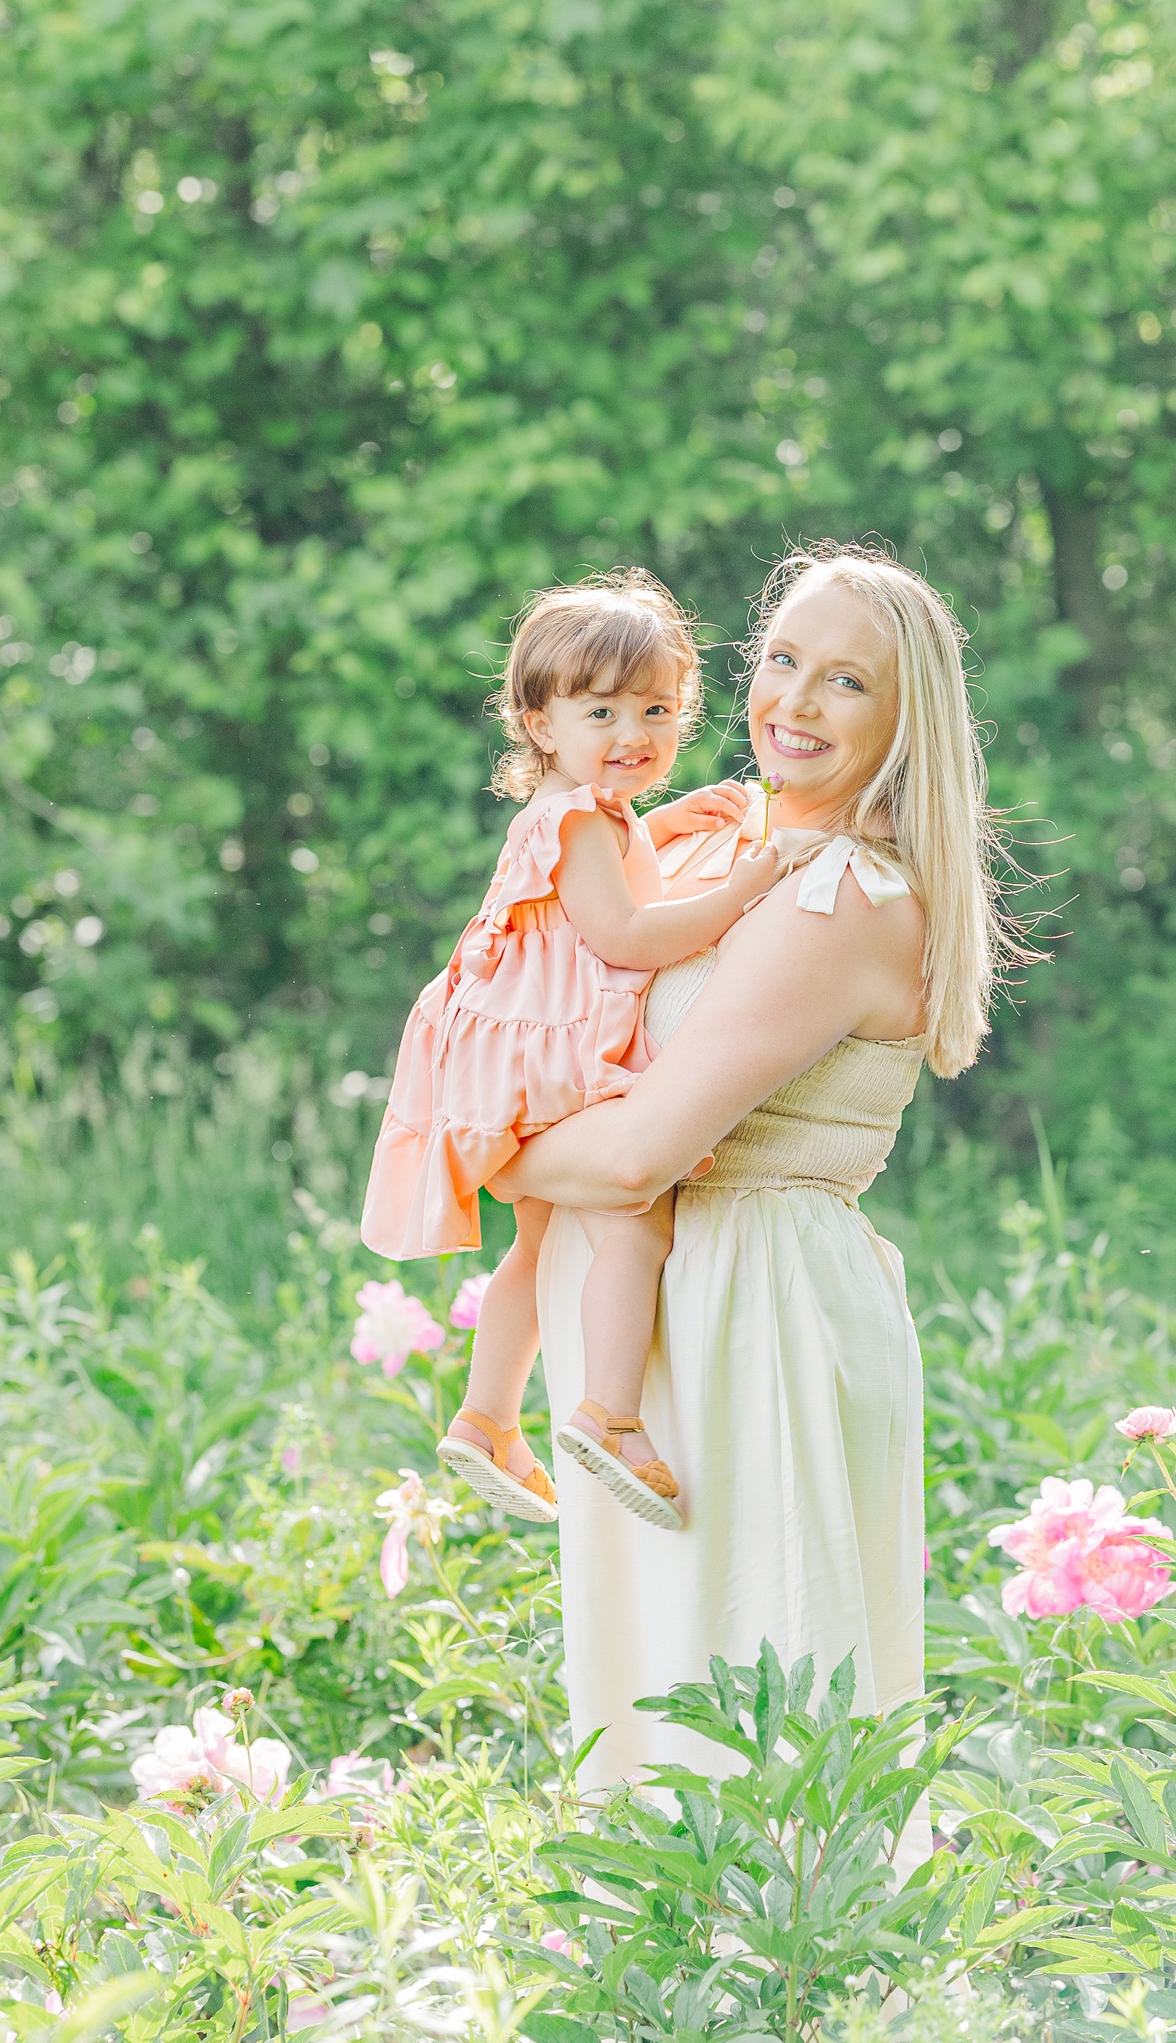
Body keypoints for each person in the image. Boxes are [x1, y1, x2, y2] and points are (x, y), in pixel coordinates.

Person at [492, 542, 1016, 1792]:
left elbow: (638, 1152)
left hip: (750, 1303)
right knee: (668, 1693)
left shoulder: (839, 897)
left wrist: (470, 1147)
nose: (792, 701)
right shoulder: (745, 858)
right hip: (681, 1296)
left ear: (904, 721)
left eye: (845, 682)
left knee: (752, 1701)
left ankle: (791, 1989)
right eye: (781, 659)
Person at [359, 572, 779, 1532]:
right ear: (541, 724)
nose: (636, 732)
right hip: (548, 1057)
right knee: (640, 1217)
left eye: (659, 709)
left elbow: (596, 881)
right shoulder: (582, 818)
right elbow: (627, 935)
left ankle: (487, 1417)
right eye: (603, 711)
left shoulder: (576, 812)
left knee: (541, 1240)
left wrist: (666, 824)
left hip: (495, 1046)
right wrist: (746, 885)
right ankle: (612, 1415)